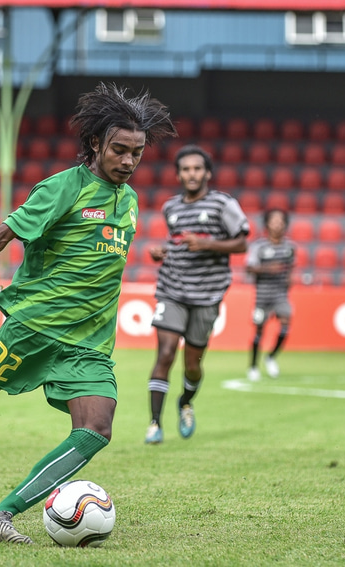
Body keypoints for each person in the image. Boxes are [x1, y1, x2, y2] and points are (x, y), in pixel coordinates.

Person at [0, 83, 176, 543]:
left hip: (88, 344)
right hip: (34, 327)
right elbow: (5, 233)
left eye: (137, 152)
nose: (129, 161)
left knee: (96, 429)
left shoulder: (129, 202)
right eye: (119, 150)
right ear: (95, 144)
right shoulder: (63, 187)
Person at [144, 144, 249, 444]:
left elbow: (242, 243)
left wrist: (206, 244)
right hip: (172, 289)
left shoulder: (223, 204)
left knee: (192, 364)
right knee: (165, 353)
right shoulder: (170, 207)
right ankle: (154, 424)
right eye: (186, 169)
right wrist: (161, 251)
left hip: (207, 295)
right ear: (178, 175)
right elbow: (176, 242)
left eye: (197, 169)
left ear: (207, 173)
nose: (192, 174)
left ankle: (185, 402)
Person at [246, 209, 295, 381]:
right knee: (259, 331)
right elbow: (249, 268)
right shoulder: (259, 246)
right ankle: (253, 366)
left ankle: (271, 357)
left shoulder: (290, 247)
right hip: (262, 296)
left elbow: (290, 267)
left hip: (280, 294)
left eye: (280, 221)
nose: (277, 224)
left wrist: (289, 279)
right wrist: (268, 269)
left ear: (285, 224)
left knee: (285, 323)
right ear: (267, 224)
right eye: (274, 221)